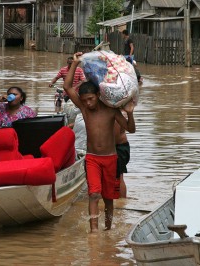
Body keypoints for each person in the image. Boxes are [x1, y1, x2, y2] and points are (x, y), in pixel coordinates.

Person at [63, 52, 135, 232]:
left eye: (91, 99)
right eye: (85, 100)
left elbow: (131, 129)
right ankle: (94, 230)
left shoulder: (111, 110)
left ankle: (108, 229)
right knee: (94, 194)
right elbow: (67, 86)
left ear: (98, 95)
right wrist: (75, 63)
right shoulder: (85, 111)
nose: (87, 103)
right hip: (92, 158)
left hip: (111, 159)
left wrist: (130, 112)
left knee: (109, 198)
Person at [114, 119, 131, 198]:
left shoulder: (116, 116)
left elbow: (115, 138)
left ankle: (122, 201)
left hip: (118, 148)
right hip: (119, 147)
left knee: (119, 176)